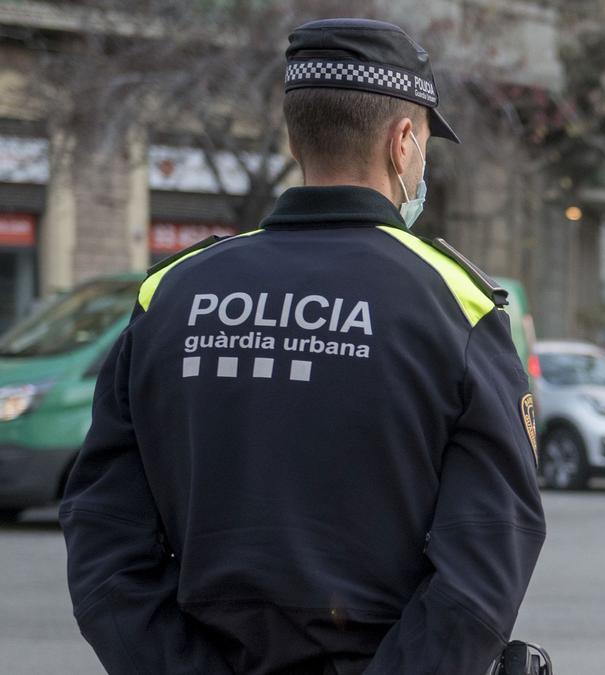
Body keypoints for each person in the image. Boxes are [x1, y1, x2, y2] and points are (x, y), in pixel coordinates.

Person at [59, 18, 545, 674]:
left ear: (294, 137)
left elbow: (103, 540)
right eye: (426, 141)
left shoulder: (169, 296)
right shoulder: (455, 306)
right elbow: (485, 564)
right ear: (404, 142)